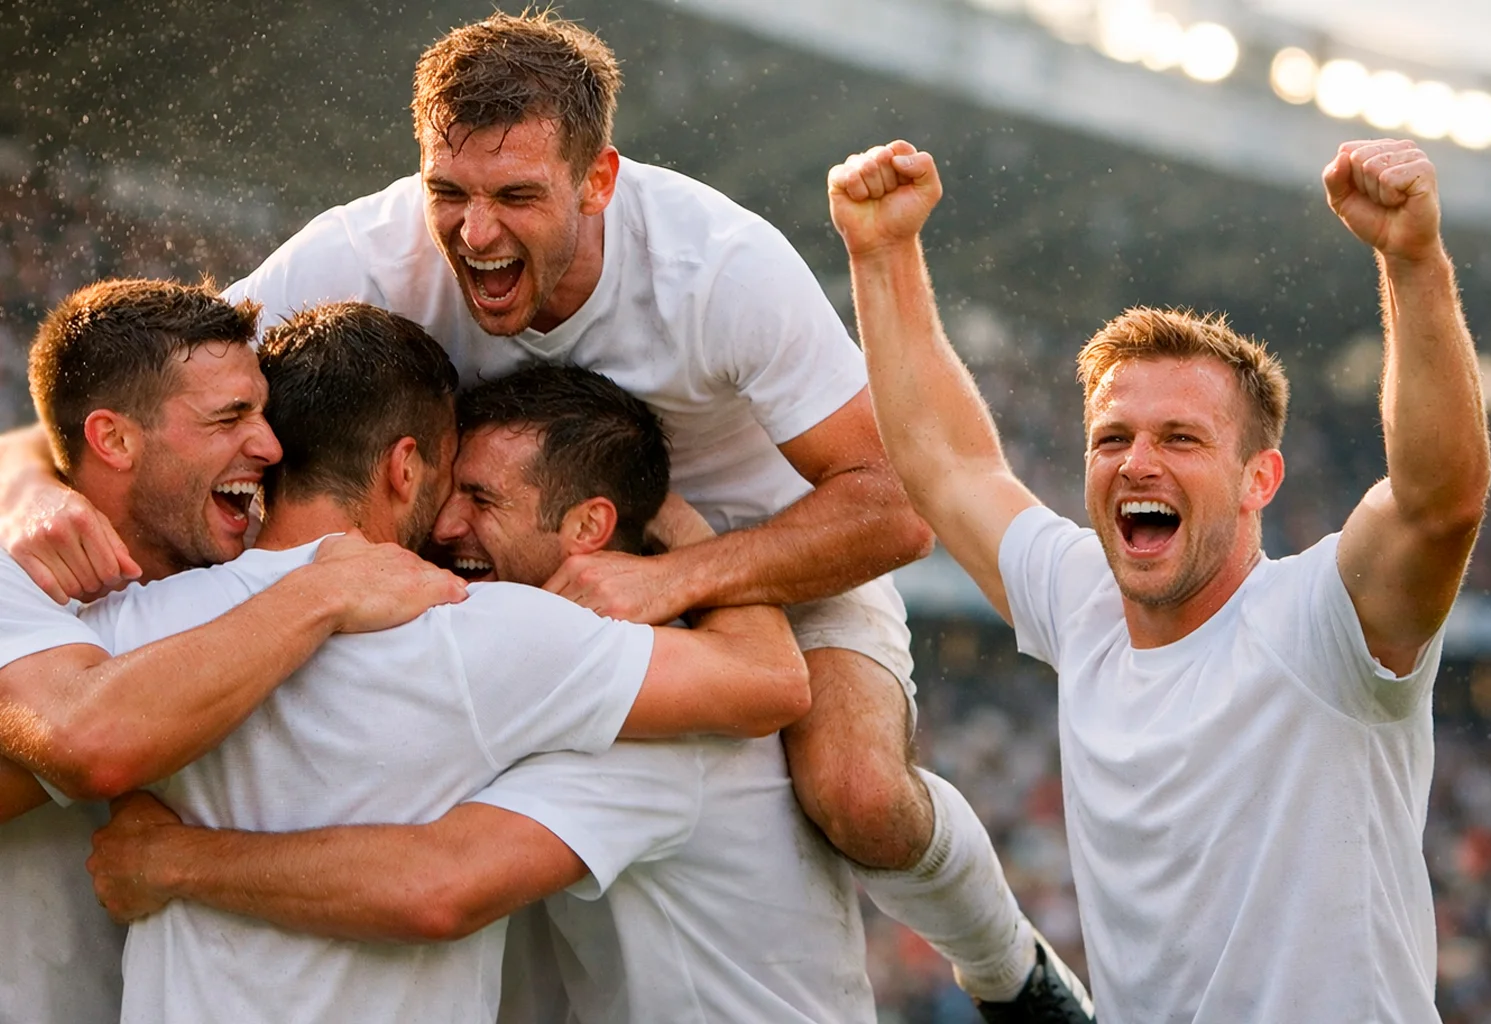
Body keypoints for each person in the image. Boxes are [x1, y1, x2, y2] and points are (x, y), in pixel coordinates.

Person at [0, 12, 1090, 1016]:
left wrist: (679, 577)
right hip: (520, 568)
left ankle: (1009, 970)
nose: (473, 234)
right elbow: (135, 399)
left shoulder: (719, 268)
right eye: (448, 192)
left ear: (600, 180)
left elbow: (894, 509)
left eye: (516, 196)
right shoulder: (366, 252)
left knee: (855, 792)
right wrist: (45, 494)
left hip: (764, 553)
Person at [829, 136, 1490, 1022]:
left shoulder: (1325, 623)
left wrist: (1411, 260)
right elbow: (947, 466)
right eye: (1113, 438)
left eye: (1181, 438)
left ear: (1262, 479)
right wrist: (883, 252)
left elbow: (1438, 503)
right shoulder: (1086, 605)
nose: (1138, 462)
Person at [69, 302, 809, 1024]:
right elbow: (769, 682)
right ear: (404, 466)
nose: (450, 519)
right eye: (452, 476)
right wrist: (676, 517)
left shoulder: (128, 626)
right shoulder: (485, 629)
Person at [0, 279, 467, 1024]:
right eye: (229, 418)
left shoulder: (237, 556)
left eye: (263, 411)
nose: (271, 446)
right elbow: (90, 741)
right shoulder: (12, 578)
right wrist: (321, 594)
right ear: (113, 441)